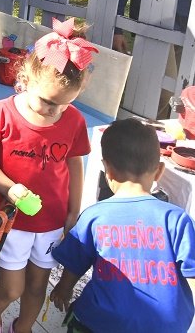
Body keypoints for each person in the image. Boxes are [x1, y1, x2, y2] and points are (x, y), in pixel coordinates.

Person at [0, 17, 97, 333]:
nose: (53, 111)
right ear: (25, 77)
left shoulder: (74, 121)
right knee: (12, 288)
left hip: (52, 222)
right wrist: (8, 187)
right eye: (46, 101)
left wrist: (73, 213)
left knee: (36, 286)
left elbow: (75, 166)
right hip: (11, 219)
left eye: (63, 105)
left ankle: (23, 328)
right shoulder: (1, 113)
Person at [49, 118, 195, 333]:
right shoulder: (177, 219)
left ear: (107, 171)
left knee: (83, 314)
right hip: (167, 326)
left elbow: (74, 262)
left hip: (104, 322)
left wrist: (63, 289)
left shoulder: (94, 216)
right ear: (160, 171)